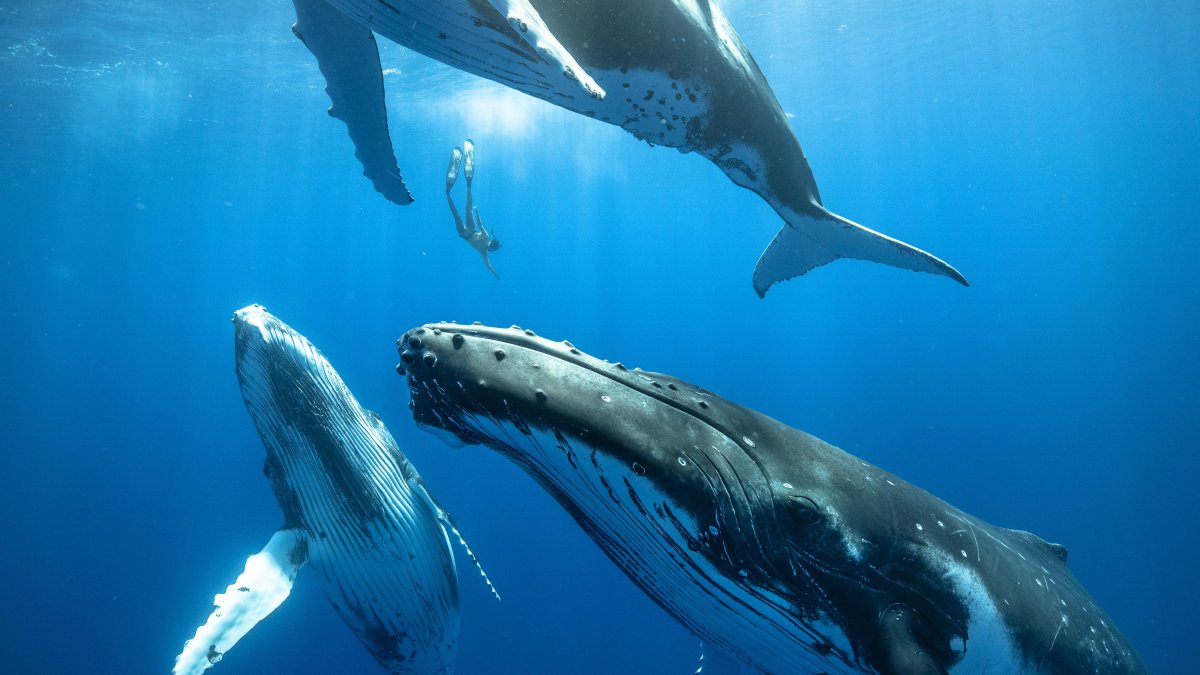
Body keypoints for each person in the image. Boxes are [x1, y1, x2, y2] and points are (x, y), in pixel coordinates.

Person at [445, 139, 501, 278]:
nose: (490, 247)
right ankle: (468, 185)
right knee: (468, 209)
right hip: (472, 229)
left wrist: (495, 274)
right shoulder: (486, 237)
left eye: (492, 248)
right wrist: (477, 213)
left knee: (456, 214)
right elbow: (481, 225)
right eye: (492, 246)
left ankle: (448, 193)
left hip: (465, 234)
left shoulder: (484, 252)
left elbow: (488, 265)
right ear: (492, 243)